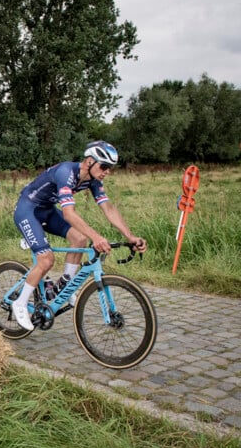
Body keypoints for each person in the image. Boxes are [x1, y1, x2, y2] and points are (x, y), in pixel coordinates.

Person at [11, 141, 147, 330]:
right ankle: (20, 302)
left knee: (79, 239)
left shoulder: (93, 181)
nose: (107, 171)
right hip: (28, 210)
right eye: (104, 166)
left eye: (110, 168)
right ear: (90, 161)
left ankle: (65, 287)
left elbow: (108, 208)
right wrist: (97, 237)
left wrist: (130, 236)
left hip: (47, 210)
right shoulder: (66, 172)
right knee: (46, 260)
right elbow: (69, 213)